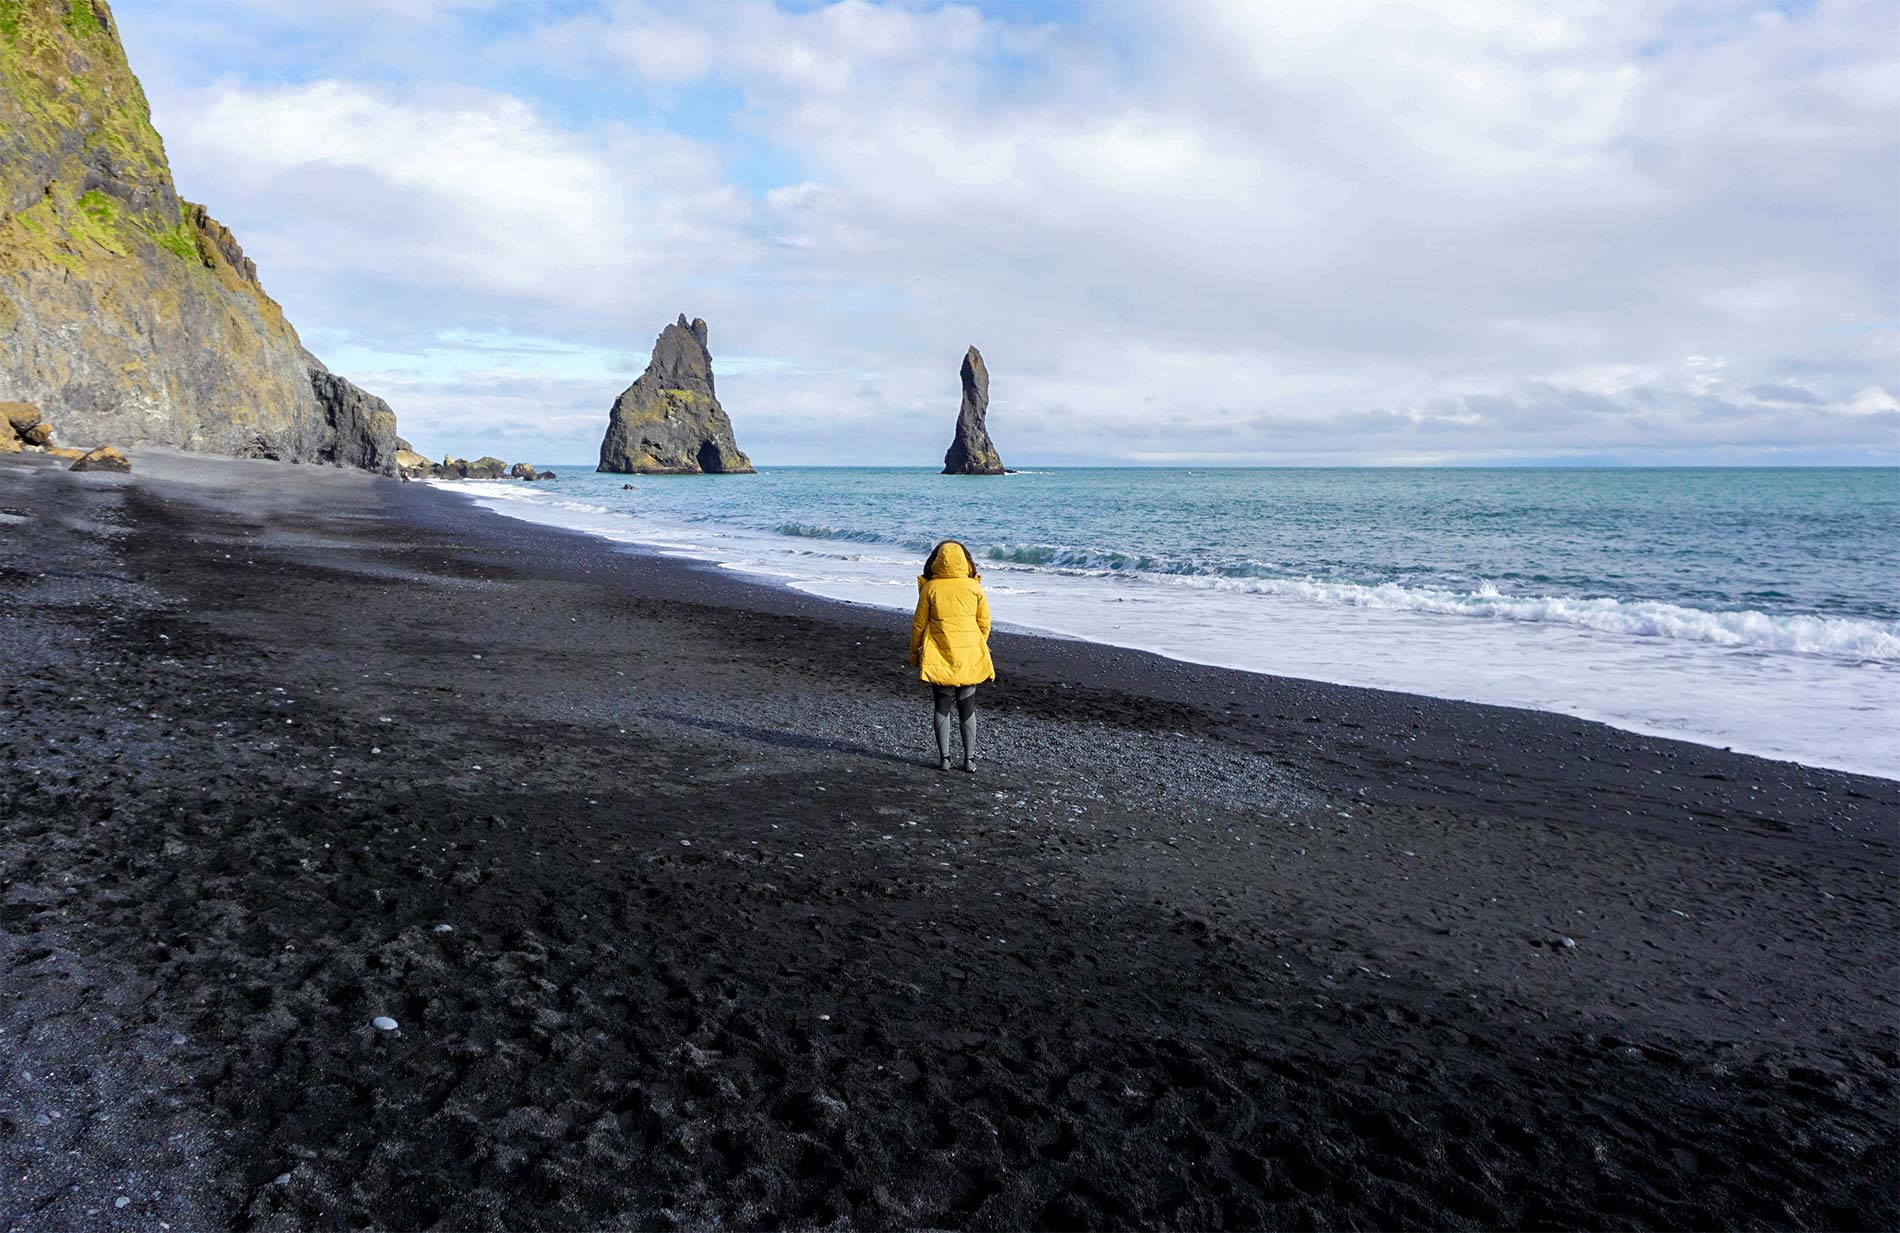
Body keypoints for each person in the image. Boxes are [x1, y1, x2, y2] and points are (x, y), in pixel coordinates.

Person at [909, 539, 994, 772]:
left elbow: (918, 625)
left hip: (939, 652)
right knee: (968, 705)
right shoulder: (974, 587)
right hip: (969, 654)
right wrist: (977, 645)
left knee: (942, 705)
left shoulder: (930, 588)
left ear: (936, 561)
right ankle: (969, 760)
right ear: (965, 560)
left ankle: (945, 759)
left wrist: (915, 656)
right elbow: (984, 622)